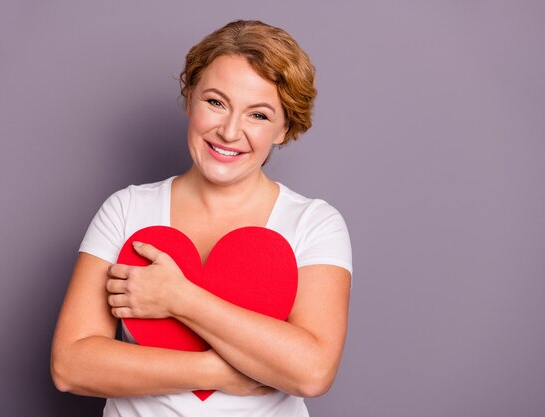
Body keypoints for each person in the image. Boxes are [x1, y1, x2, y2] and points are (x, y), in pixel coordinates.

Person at [51, 20, 352, 417]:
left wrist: (180, 298)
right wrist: (216, 371)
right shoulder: (127, 209)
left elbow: (312, 372)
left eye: (258, 115)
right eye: (216, 102)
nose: (229, 131)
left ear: (285, 128)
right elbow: (70, 366)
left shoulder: (315, 223)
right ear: (190, 97)